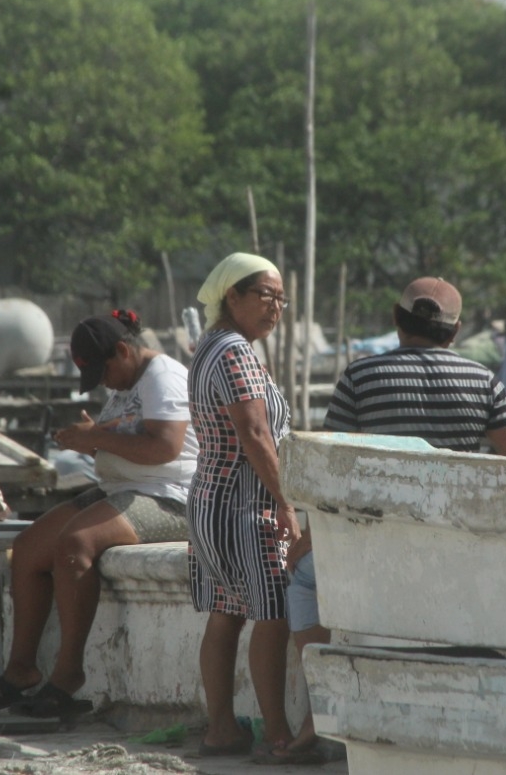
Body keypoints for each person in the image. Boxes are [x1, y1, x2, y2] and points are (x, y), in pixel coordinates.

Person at [267, 276, 506, 764]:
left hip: (374, 551)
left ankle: (317, 712)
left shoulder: (360, 378)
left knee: (302, 582)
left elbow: (328, 474)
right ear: (453, 334)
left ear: (396, 320)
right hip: (456, 548)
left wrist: (306, 540)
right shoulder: (485, 382)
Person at [0, 310, 198, 720]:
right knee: (29, 548)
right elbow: (125, 441)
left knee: (76, 544)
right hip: (124, 488)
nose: (104, 384)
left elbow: (165, 449)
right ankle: (21, 671)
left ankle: (67, 676)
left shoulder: (163, 376)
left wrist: (97, 438)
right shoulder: (126, 383)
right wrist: (89, 441)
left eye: (103, 373)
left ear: (123, 351)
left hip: (172, 498)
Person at [187, 252, 299, 757]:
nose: (276, 307)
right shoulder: (234, 352)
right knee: (272, 610)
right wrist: (287, 503)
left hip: (212, 500)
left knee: (226, 611)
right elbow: (254, 433)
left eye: (281, 299)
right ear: (232, 296)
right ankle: (278, 735)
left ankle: (221, 729)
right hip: (243, 504)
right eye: (266, 296)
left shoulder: (211, 345)